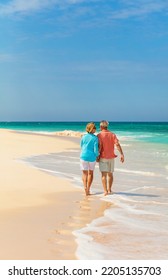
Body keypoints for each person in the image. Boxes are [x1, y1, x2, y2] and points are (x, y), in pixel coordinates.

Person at [97, 120, 124, 195]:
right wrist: (122, 154)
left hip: (103, 157)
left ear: (101, 126)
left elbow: (99, 147)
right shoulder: (112, 134)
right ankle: (109, 189)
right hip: (111, 157)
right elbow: (117, 144)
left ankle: (105, 191)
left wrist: (97, 156)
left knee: (103, 175)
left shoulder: (99, 135)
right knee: (110, 174)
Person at [80, 122, 99, 196]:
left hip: (83, 156)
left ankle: (85, 187)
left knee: (84, 173)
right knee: (90, 173)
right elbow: (95, 149)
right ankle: (88, 189)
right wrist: (97, 156)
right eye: (94, 128)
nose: (95, 129)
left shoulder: (83, 137)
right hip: (92, 157)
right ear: (92, 129)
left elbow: (81, 146)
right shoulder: (95, 138)